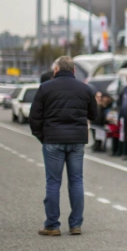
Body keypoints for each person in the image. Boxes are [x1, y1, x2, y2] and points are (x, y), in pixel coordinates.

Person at [29, 56, 97, 236]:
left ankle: (52, 225)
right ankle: (76, 224)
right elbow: (95, 114)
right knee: (76, 181)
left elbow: (34, 116)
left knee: (53, 182)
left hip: (52, 140)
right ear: (74, 71)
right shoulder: (85, 89)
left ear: (56, 70)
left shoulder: (45, 88)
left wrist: (42, 136)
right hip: (77, 141)